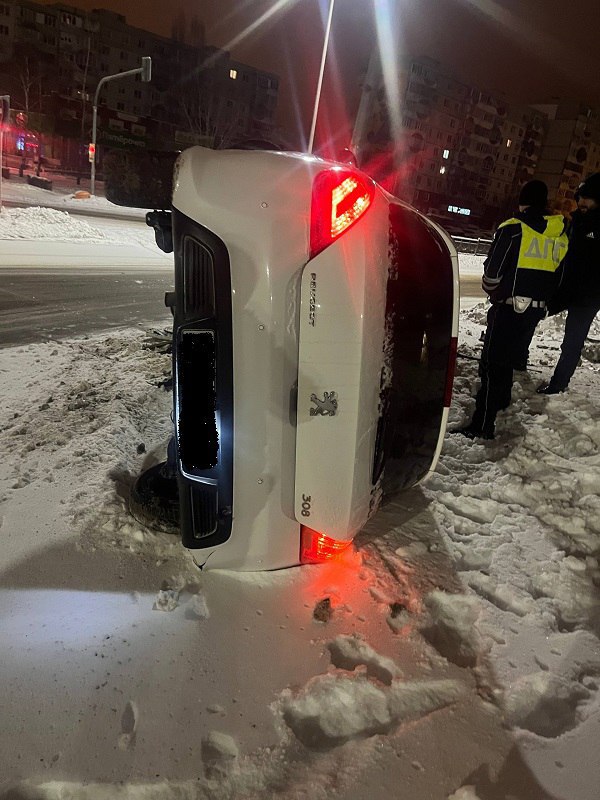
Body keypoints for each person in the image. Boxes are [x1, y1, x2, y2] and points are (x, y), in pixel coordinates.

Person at [453, 180, 568, 439]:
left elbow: (492, 272)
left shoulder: (514, 229)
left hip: (508, 307)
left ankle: (483, 424)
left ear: (522, 202)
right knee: (507, 361)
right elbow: (561, 277)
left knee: (493, 364)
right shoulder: (559, 233)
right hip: (535, 310)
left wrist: (492, 290)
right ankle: (501, 401)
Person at [537, 173, 600, 394]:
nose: (581, 202)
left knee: (572, 342)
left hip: (587, 297)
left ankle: (558, 384)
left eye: (587, 198)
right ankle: (517, 360)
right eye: (580, 197)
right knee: (533, 315)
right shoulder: (576, 221)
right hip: (564, 288)